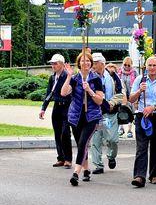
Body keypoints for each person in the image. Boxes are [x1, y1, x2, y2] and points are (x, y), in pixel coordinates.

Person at [60, 52, 105, 186]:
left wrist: (90, 91)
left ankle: (75, 173)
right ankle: (86, 169)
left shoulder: (96, 79)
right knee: (82, 144)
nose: (85, 63)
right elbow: (63, 93)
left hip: (91, 117)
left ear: (91, 64)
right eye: (83, 61)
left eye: (88, 61)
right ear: (79, 63)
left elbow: (100, 101)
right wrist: (68, 76)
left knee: (82, 143)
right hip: (75, 117)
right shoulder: (74, 78)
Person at [129, 56, 156, 187]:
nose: (152, 68)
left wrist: (153, 107)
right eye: (150, 65)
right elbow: (131, 99)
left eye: (154, 65)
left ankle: (154, 174)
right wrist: (139, 91)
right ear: (146, 67)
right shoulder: (139, 80)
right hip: (142, 117)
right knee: (141, 147)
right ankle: (139, 176)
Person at [90, 53, 122, 175]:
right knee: (96, 140)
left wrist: (112, 103)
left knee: (112, 139)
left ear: (102, 64)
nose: (92, 66)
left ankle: (111, 156)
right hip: (95, 114)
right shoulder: (90, 77)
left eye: (94, 63)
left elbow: (120, 93)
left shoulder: (113, 77)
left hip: (110, 113)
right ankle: (98, 165)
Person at [39, 54, 72, 168]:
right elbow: (49, 93)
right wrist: (43, 108)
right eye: (52, 63)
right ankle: (61, 158)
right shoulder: (52, 77)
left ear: (62, 64)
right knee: (57, 133)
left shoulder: (67, 76)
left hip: (67, 106)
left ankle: (68, 159)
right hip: (57, 106)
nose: (53, 66)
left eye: (55, 63)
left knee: (65, 133)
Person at [117, 57, 138, 138]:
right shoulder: (119, 72)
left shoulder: (134, 72)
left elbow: (137, 83)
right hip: (123, 94)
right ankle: (121, 128)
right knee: (122, 110)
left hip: (132, 93)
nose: (126, 66)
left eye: (128, 65)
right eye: (125, 64)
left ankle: (130, 129)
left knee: (131, 111)